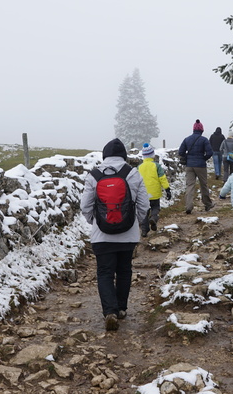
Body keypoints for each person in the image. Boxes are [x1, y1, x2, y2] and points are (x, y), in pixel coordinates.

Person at [80, 138, 150, 331]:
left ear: (104, 155)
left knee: (104, 272)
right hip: (128, 235)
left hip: (102, 236)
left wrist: (95, 222)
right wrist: (135, 222)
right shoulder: (133, 173)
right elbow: (144, 205)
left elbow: (85, 206)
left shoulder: (93, 176)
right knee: (124, 270)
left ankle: (109, 311)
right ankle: (121, 309)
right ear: (124, 156)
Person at [178, 119, 214, 214]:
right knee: (203, 185)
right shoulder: (204, 140)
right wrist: (204, 158)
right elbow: (210, 152)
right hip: (201, 165)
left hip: (189, 166)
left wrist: (188, 158)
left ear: (193, 129)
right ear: (201, 130)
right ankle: (207, 204)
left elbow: (180, 152)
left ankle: (188, 206)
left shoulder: (187, 139)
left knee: (190, 185)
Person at [138, 143, 172, 237]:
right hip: (155, 193)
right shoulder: (156, 166)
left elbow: (136, 181)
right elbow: (162, 178)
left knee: (144, 212)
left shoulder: (139, 167)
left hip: (143, 194)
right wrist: (167, 189)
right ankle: (153, 218)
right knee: (155, 207)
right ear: (152, 155)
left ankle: (144, 230)